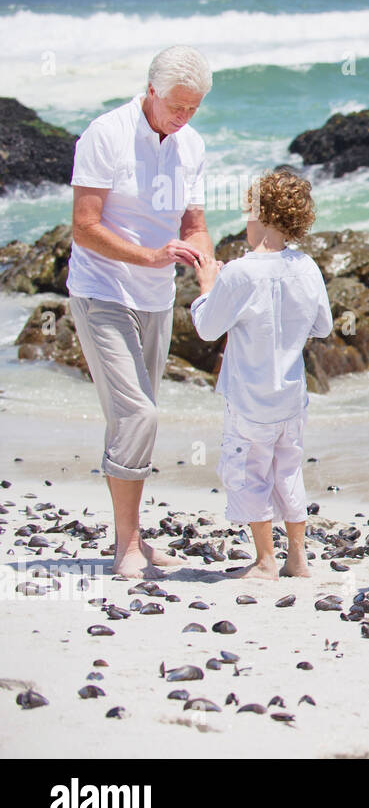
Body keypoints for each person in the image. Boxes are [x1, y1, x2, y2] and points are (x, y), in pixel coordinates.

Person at [68, 44, 213, 579]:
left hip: (156, 299)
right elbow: (84, 224)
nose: (184, 118)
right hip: (101, 289)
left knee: (133, 421)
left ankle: (131, 538)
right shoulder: (105, 134)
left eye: (194, 108)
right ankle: (127, 546)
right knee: (138, 415)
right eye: (177, 106)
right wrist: (151, 256)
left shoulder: (190, 144)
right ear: (151, 89)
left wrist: (209, 279)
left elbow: (193, 226)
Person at [190, 168, 333, 580]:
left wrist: (206, 286)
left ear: (264, 217)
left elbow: (206, 328)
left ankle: (265, 559)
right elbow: (322, 326)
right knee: (288, 470)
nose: (245, 225)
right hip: (291, 398)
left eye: (248, 216)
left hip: (250, 399)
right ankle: (298, 558)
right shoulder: (307, 267)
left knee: (250, 471)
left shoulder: (239, 272)